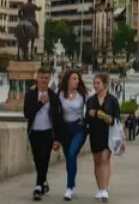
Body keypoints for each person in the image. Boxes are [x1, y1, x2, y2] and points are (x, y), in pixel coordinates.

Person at [24, 67, 62, 200]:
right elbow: (27, 114)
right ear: (37, 78)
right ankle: (44, 181)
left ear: (49, 79)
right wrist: (41, 103)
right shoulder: (30, 94)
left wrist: (57, 138)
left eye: (46, 78)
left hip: (48, 132)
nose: (44, 80)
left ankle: (38, 186)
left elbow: (57, 118)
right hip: (34, 131)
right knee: (37, 159)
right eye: (41, 77)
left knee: (44, 157)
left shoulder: (53, 96)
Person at [85, 73, 121, 202]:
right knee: (97, 161)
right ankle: (100, 187)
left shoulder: (112, 100)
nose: (95, 85)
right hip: (95, 133)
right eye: (94, 83)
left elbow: (117, 118)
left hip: (108, 133)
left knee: (105, 159)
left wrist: (106, 117)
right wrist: (90, 114)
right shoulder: (90, 100)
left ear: (105, 84)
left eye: (98, 83)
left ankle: (105, 189)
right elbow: (87, 119)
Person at [55, 69, 89, 201]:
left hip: (78, 128)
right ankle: (72, 185)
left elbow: (92, 106)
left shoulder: (83, 95)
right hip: (64, 129)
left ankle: (69, 188)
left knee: (72, 153)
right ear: (67, 80)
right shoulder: (60, 94)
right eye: (74, 78)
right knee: (70, 158)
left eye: (77, 79)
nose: (77, 81)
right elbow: (55, 110)